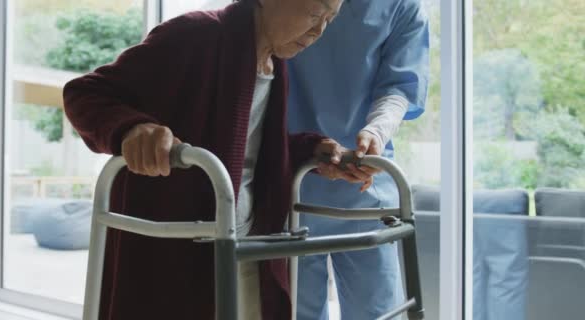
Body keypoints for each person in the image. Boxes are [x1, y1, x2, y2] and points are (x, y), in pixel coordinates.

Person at [62, 0, 366, 319]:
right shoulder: (195, 35)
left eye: (330, 20)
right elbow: (84, 94)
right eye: (315, 13)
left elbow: (241, 147)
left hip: (248, 246)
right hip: (180, 258)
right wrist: (132, 129)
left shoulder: (275, 65)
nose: (319, 30)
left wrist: (315, 150)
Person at [287, 0, 430, 319]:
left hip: (364, 188)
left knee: (374, 311)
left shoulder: (401, 7)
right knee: (296, 310)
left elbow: (400, 88)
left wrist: (377, 131)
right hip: (293, 186)